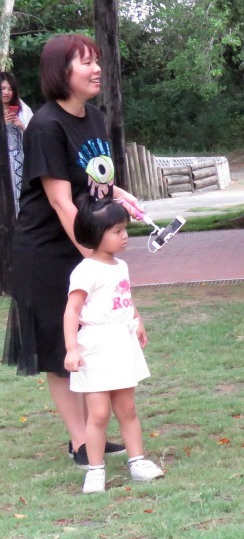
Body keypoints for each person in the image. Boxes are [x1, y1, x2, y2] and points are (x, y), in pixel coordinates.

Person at [2, 34, 141, 466]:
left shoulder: (94, 119)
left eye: (96, 60)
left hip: (81, 242)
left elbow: (91, 182)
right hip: (46, 251)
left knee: (91, 337)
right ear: (61, 73)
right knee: (62, 351)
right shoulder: (45, 126)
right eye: (85, 62)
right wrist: (94, 257)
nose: (96, 68)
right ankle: (81, 443)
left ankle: (88, 436)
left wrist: (122, 195)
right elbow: (62, 201)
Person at [63, 195, 164, 494]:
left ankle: (138, 461)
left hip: (122, 343)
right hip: (95, 346)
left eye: (125, 229)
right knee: (98, 414)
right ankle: (95, 470)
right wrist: (72, 348)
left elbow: (125, 299)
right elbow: (71, 311)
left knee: (128, 408)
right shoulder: (85, 271)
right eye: (117, 231)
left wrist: (137, 320)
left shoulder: (120, 266)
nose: (125, 236)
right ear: (96, 234)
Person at [2, 71, 35, 211]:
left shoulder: (23, 109)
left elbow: (34, 134)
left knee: (21, 195)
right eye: (2, 88)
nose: (6, 92)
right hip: (2, 161)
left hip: (19, 160)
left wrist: (21, 125)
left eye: (10, 89)